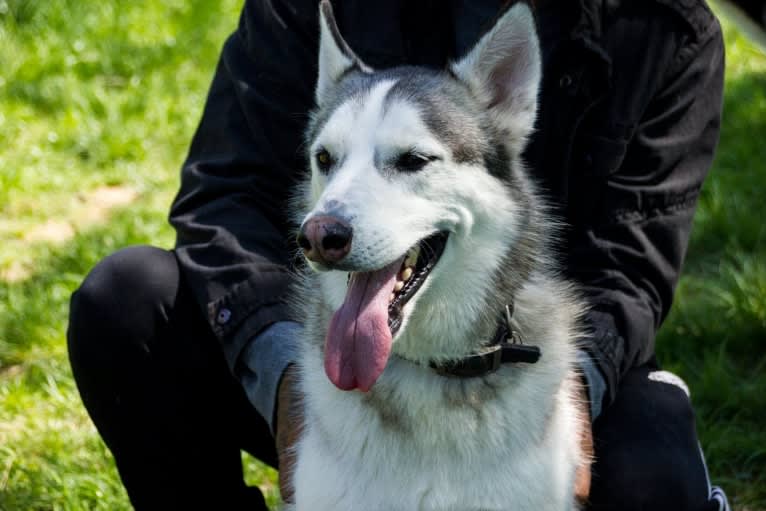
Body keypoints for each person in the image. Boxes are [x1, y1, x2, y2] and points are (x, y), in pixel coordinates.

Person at [67, 0, 730, 509]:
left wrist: (575, 392)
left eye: (412, 158)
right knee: (127, 301)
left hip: (541, 362)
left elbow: (631, 269)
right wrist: (285, 383)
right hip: (324, 354)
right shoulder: (304, 7)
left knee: (656, 478)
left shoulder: (667, 32)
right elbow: (223, 200)